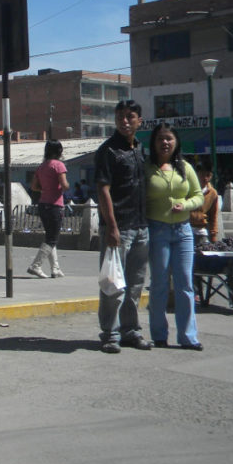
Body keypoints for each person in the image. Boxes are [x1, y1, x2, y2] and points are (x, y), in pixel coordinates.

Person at [94, 100, 153, 353]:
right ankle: (109, 334)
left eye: (130, 117)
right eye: (120, 117)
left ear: (140, 120)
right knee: (113, 286)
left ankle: (131, 331)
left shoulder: (140, 149)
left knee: (135, 284)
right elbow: (103, 190)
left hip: (141, 227)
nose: (124, 121)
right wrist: (112, 227)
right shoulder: (108, 151)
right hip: (119, 228)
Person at [146, 123, 204, 351]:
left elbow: (198, 195)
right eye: (160, 139)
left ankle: (188, 337)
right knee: (159, 284)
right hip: (157, 230)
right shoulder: (147, 168)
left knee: (185, 285)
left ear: (176, 141)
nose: (165, 143)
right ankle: (159, 334)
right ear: (154, 142)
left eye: (169, 138)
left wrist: (186, 204)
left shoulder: (185, 167)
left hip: (183, 232)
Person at [27, 140, 69, 278]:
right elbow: (64, 185)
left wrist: (45, 188)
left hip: (43, 203)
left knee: (50, 236)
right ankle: (36, 265)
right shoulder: (59, 165)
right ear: (59, 151)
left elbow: (33, 187)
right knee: (52, 238)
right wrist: (63, 187)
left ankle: (55, 268)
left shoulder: (42, 166)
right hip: (55, 205)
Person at [189, 161, 219, 248]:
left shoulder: (213, 193)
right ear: (196, 175)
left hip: (201, 231)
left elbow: (213, 215)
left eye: (208, 175)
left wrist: (213, 235)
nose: (205, 178)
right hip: (186, 229)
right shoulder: (188, 188)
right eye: (202, 175)